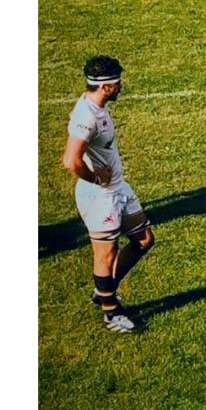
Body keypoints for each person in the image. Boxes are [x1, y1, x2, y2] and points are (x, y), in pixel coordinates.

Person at [62, 56, 155, 333]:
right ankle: (111, 313)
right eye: (117, 82)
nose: (121, 86)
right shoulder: (86, 118)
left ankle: (104, 291)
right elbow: (70, 160)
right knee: (106, 253)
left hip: (118, 188)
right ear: (106, 87)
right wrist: (95, 178)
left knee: (144, 239)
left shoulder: (96, 106)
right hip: (100, 197)